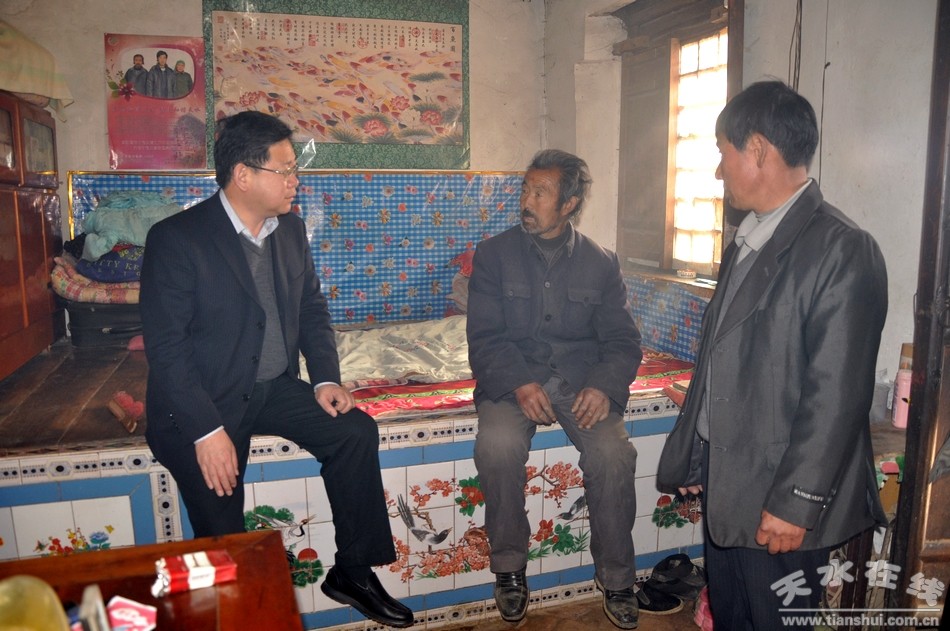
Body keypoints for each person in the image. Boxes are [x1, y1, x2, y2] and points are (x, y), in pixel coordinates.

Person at [140, 111, 414, 629]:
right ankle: (227, 613)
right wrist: (205, 431)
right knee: (223, 525)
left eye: (295, 171)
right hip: (206, 403)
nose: (295, 181)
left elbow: (311, 308)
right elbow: (167, 348)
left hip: (272, 388)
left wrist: (326, 378)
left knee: (354, 432)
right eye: (285, 170)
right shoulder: (177, 239)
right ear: (243, 175)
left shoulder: (288, 230)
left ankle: (353, 572)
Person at [657, 80, 888, 629]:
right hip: (732, 482)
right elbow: (723, 356)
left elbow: (837, 397)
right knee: (734, 616)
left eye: (724, 152)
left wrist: (795, 503)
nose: (720, 170)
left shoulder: (841, 248)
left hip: (779, 496)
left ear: (757, 148)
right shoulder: (747, 240)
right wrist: (699, 454)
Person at [466, 149, 681, 629]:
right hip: (512, 380)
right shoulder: (494, 255)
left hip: (580, 383)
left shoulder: (600, 263)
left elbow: (623, 341)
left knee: (614, 454)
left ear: (569, 204)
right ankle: (509, 569)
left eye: (540, 193)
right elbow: (484, 337)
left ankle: (618, 579)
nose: (527, 201)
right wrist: (520, 382)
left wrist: (603, 386)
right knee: (497, 446)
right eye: (526, 189)